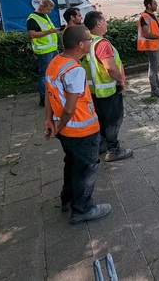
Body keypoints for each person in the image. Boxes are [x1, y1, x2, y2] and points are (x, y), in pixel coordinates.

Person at [44, 25, 111, 225]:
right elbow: (69, 109)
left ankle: (68, 198)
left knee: (72, 163)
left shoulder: (56, 62)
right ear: (81, 44)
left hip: (65, 131)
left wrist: (49, 120)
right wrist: (59, 124)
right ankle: (83, 209)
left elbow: (49, 95)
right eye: (90, 39)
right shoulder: (75, 71)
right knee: (87, 167)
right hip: (80, 130)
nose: (92, 42)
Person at [81, 11, 132, 162]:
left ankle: (101, 144)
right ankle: (113, 150)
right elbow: (110, 67)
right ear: (98, 24)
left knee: (100, 119)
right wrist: (121, 80)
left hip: (92, 91)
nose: (106, 23)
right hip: (107, 90)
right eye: (104, 20)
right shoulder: (101, 44)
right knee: (113, 120)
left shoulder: (85, 42)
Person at [27, 0, 59, 107]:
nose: (49, 12)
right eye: (48, 9)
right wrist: (50, 31)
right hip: (44, 51)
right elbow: (32, 34)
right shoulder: (32, 19)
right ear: (42, 6)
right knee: (44, 75)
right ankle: (43, 98)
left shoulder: (44, 15)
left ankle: (53, 94)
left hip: (53, 49)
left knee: (55, 72)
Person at [137, 0, 159, 97]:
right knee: (153, 68)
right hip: (150, 46)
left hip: (156, 44)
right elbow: (146, 34)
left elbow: (157, 29)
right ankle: (154, 90)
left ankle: (157, 83)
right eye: (154, 4)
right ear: (149, 5)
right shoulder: (144, 17)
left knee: (155, 67)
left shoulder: (152, 15)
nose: (156, 5)